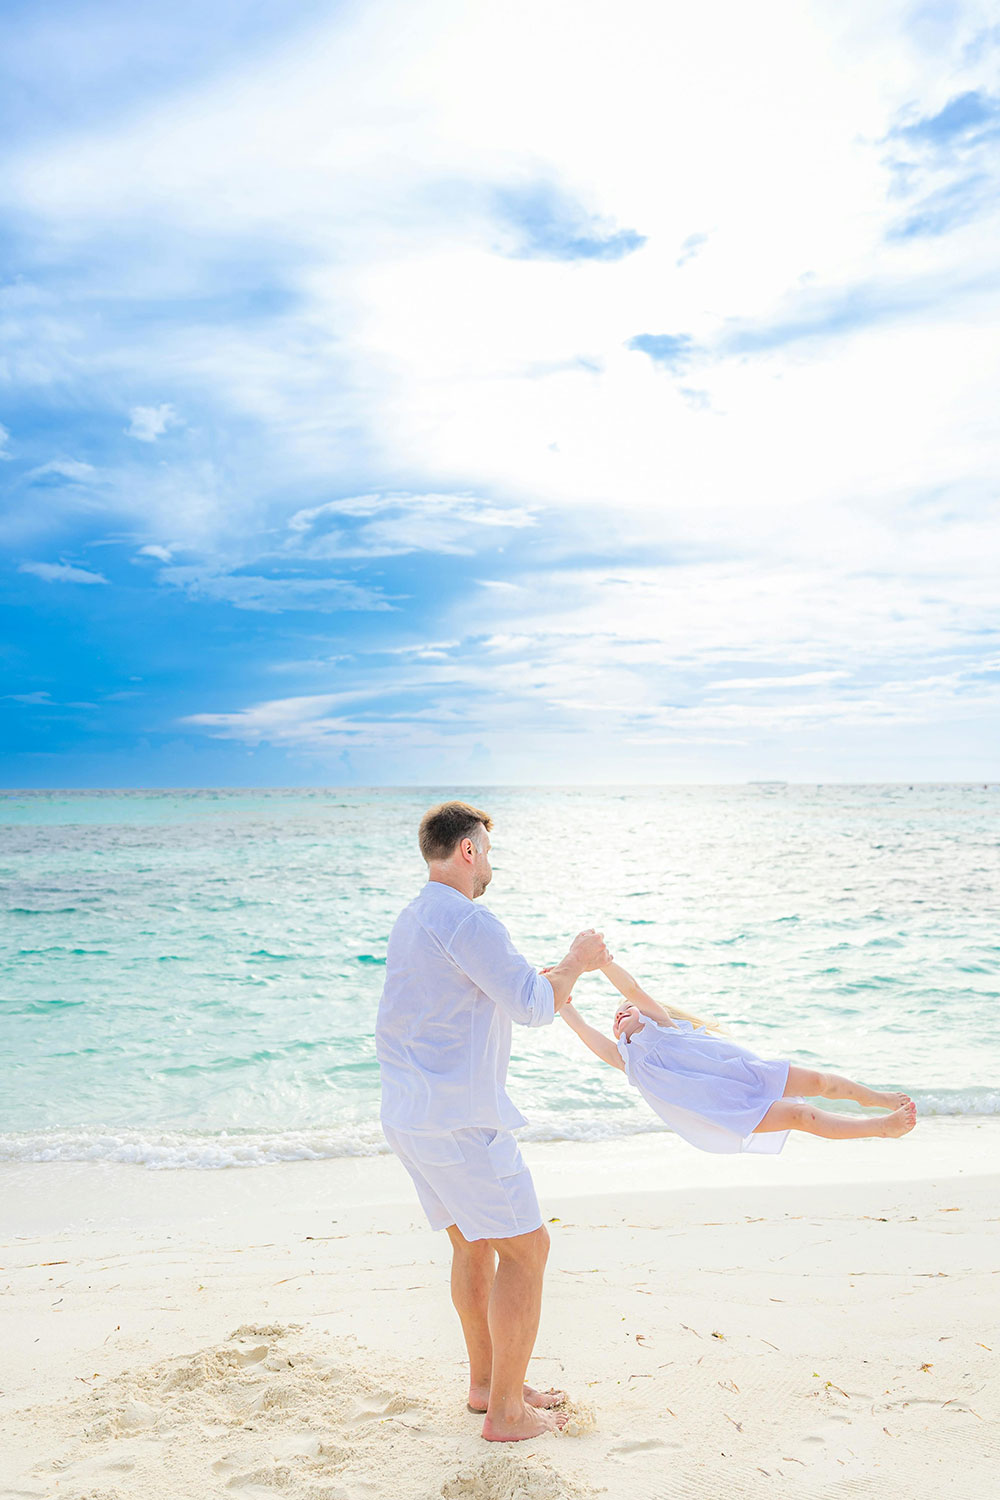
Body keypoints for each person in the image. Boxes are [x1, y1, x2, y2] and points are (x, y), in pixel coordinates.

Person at [375, 800, 611, 1442]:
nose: (491, 865)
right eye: (488, 849)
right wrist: (577, 960)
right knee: (529, 1249)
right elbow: (535, 1008)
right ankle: (507, 1412)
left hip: (410, 1114)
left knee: (474, 1242)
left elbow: (459, 995)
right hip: (458, 1120)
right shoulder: (470, 920)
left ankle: (487, 1384)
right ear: (469, 850)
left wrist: (540, 980)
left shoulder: (414, 917)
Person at [558, 958, 917, 1153]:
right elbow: (585, 1033)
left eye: (628, 1008)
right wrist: (565, 1006)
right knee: (802, 1115)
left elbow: (632, 988)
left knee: (820, 1081)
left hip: (746, 1074)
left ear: (647, 1011)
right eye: (616, 1014)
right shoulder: (628, 1062)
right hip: (726, 1108)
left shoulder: (663, 1025)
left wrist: (602, 963)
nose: (621, 1011)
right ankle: (880, 1128)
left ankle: (876, 1099)